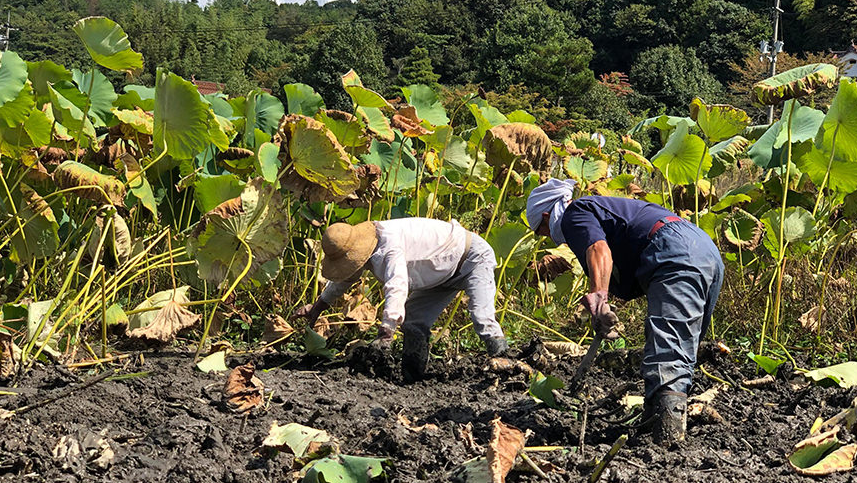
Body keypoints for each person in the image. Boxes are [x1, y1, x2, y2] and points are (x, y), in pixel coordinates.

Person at [526, 179, 724, 445]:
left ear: (548, 215)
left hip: (675, 250)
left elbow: (599, 249)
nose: (548, 238)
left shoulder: (574, 214)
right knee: (683, 346)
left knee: (670, 349)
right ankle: (655, 419)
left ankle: (667, 438)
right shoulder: (600, 210)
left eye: (542, 231)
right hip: (702, 247)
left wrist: (599, 294)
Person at [295, 217, 508, 382]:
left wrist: (386, 332)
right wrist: (318, 306)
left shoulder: (388, 247)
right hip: (441, 275)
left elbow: (397, 286)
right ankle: (413, 378)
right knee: (414, 322)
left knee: (482, 318)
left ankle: (508, 369)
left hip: (471, 258)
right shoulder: (365, 248)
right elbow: (345, 279)